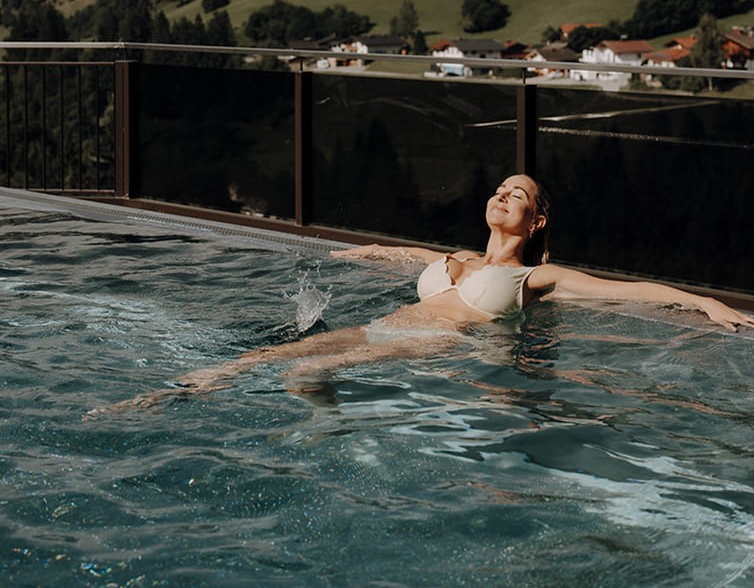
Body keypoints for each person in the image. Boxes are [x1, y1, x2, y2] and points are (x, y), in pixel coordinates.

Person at [89, 173, 754, 414]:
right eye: (499, 188)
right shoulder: (454, 258)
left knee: (291, 365)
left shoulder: (533, 278)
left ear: (537, 221)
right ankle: (311, 418)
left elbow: (628, 289)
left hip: (440, 342)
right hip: (390, 326)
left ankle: (157, 402)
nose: (502, 195)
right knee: (287, 369)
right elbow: (399, 253)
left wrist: (707, 304)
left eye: (517, 194)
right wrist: (361, 252)